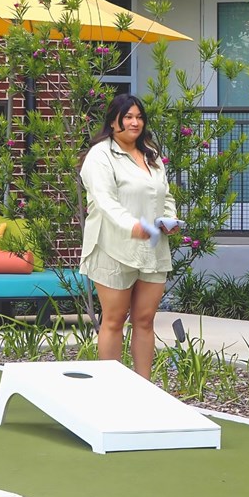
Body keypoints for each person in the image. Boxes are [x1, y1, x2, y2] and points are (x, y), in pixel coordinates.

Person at [79, 93, 179, 379]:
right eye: (128, 117)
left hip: (152, 248)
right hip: (113, 247)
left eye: (139, 117)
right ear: (113, 122)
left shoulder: (151, 154)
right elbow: (105, 201)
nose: (135, 122)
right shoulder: (100, 155)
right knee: (113, 320)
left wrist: (169, 219)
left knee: (145, 320)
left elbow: (164, 194)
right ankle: (111, 389)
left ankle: (143, 388)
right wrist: (133, 226)